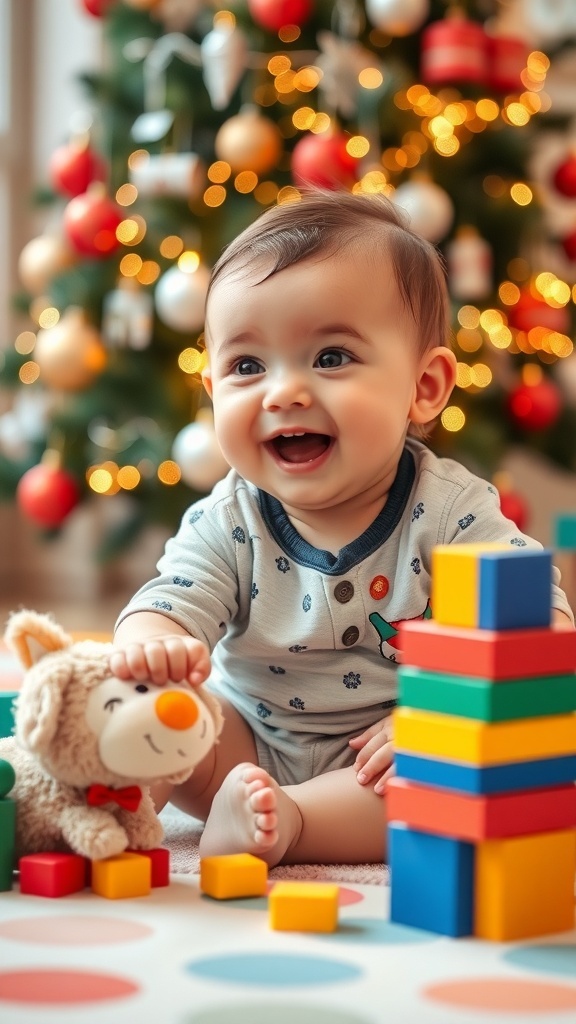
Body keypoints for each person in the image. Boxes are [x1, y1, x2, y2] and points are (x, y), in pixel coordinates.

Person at [111, 191, 574, 868]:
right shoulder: (230, 516)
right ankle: (113, 799)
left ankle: (291, 823)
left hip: (383, 761)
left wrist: (437, 716)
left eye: (330, 357)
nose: (282, 392)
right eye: (247, 366)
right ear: (212, 389)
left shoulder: (450, 513)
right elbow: (165, 604)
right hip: (241, 745)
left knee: (453, 777)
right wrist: (153, 648)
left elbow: (540, 632)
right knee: (149, 709)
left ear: (424, 386)